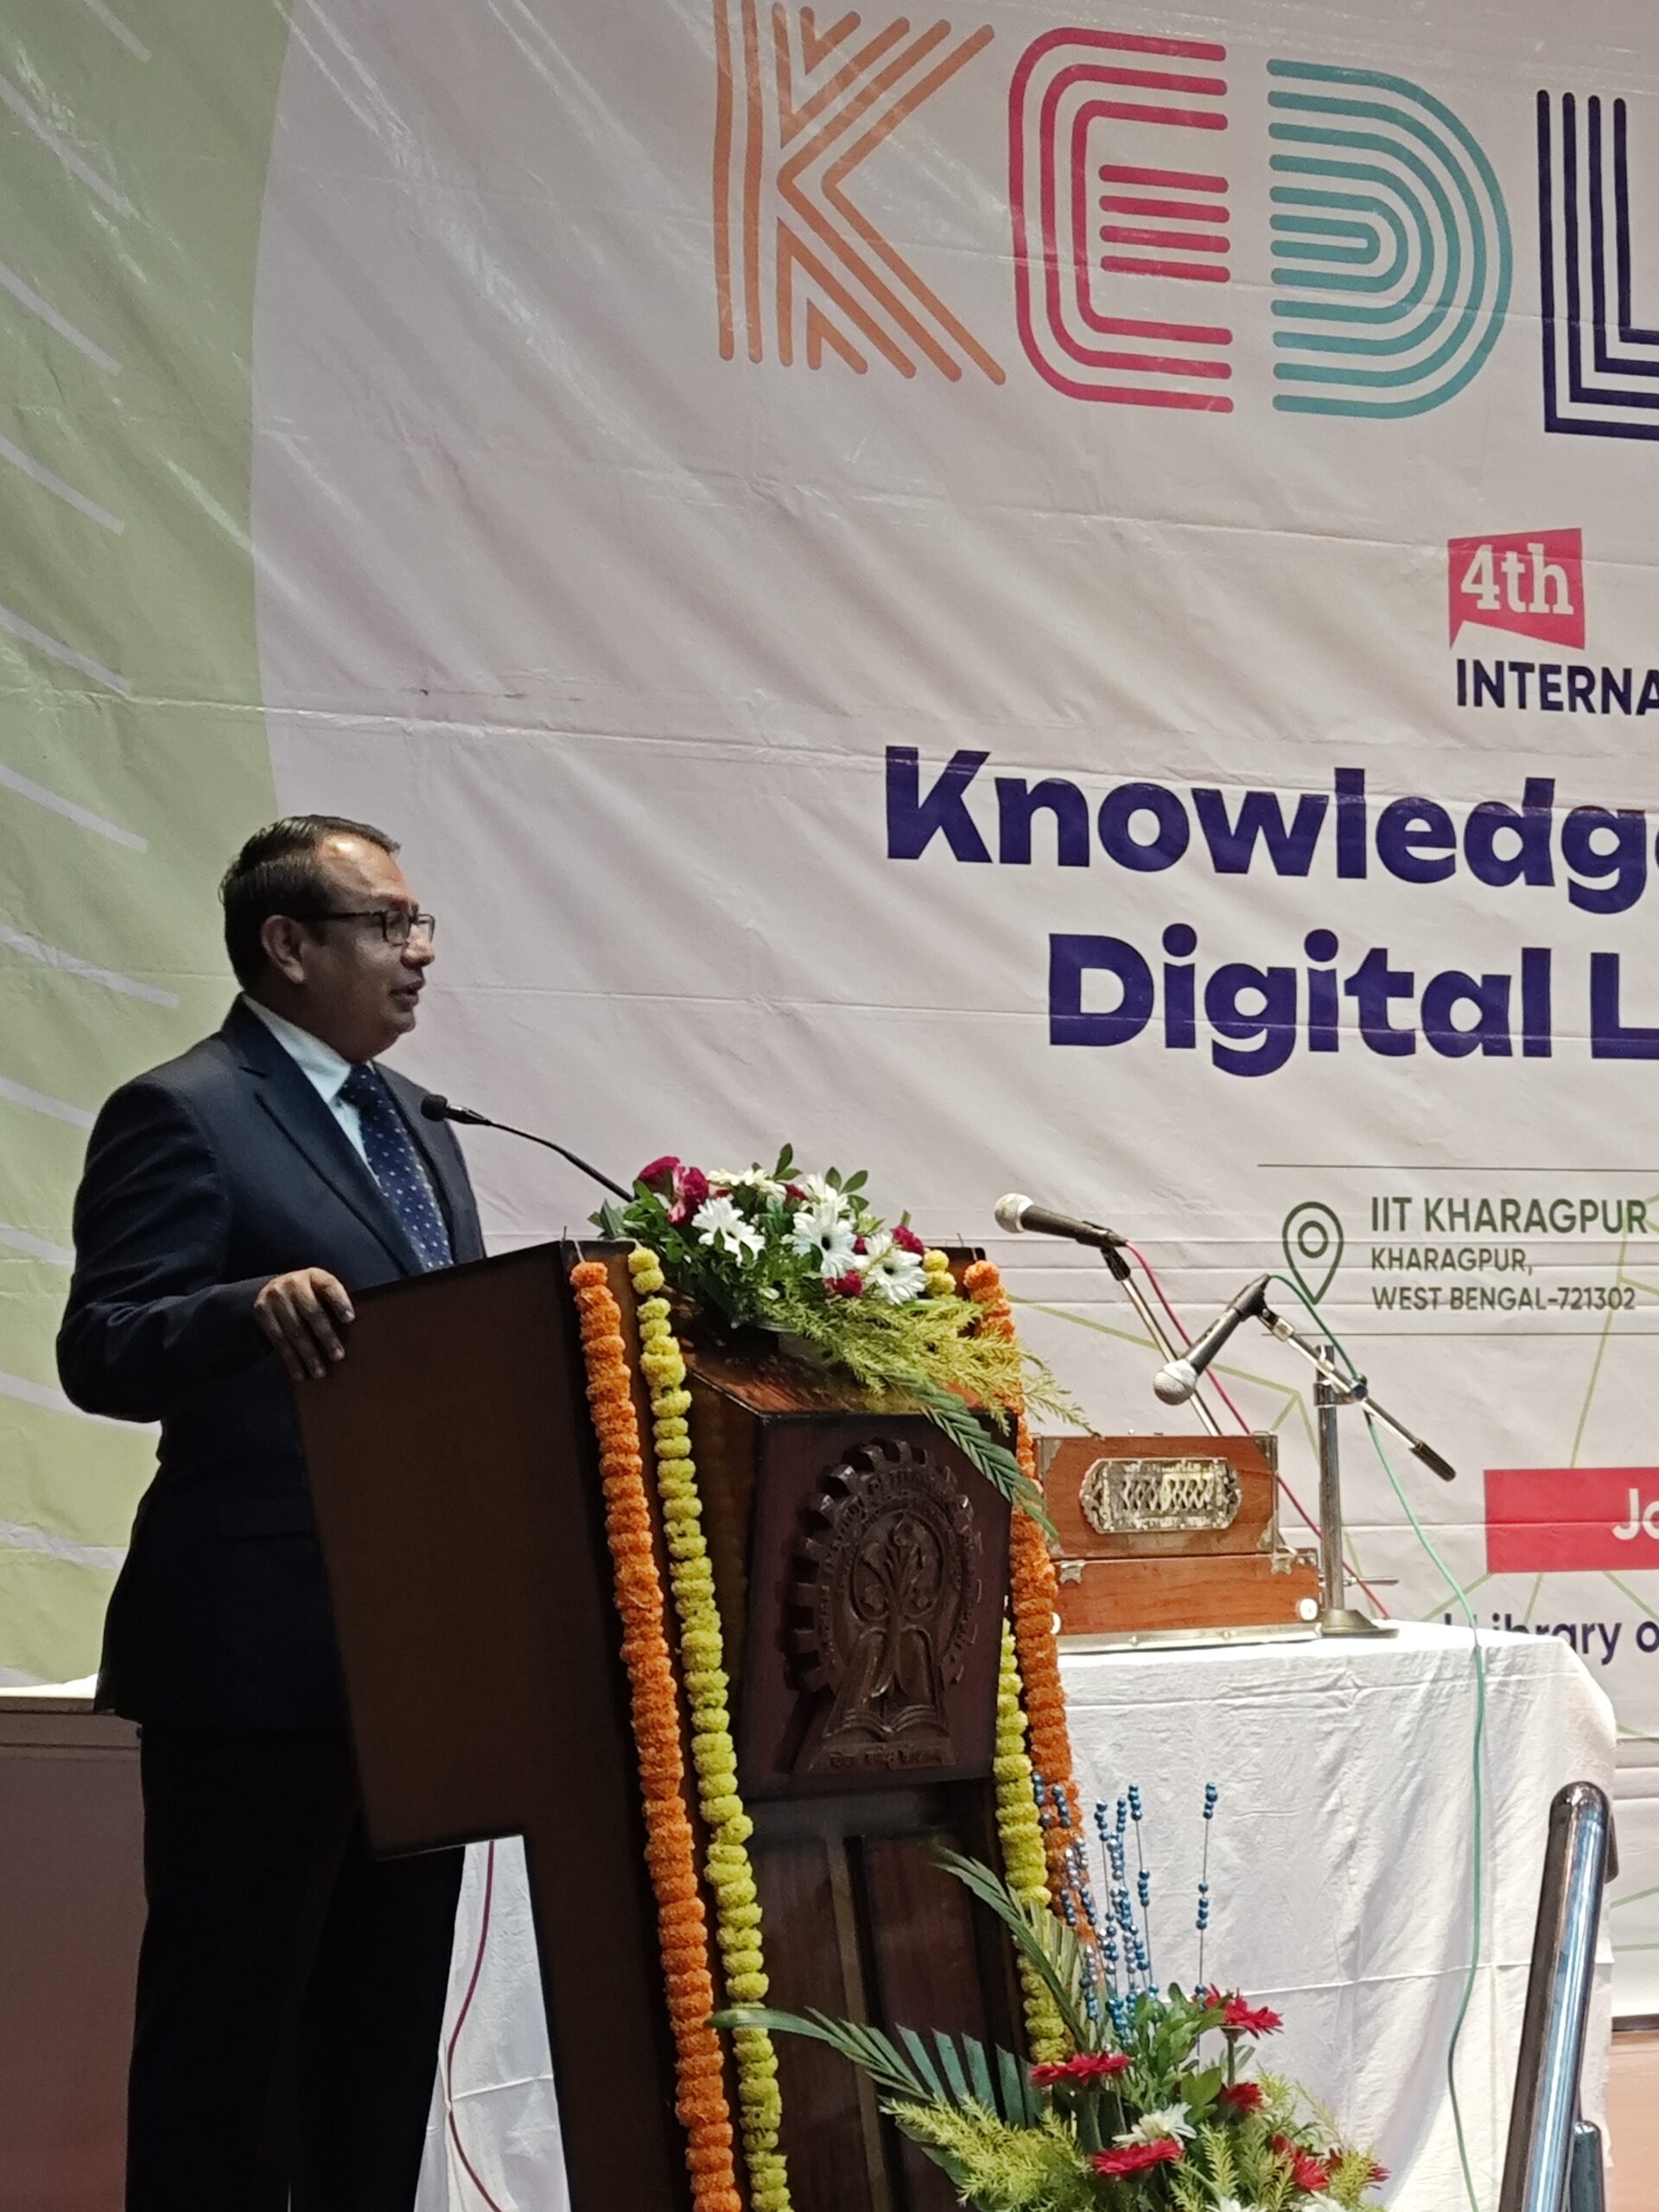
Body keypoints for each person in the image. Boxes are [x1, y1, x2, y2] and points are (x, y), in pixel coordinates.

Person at [58, 816, 485, 2212]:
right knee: (228, 2043)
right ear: (287, 944)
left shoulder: (418, 1120)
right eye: (387, 925)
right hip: (255, 1657)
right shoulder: (183, 1110)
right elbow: (101, 1346)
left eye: (419, 924)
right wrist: (238, 1309)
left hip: (415, 1666)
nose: (417, 953)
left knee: (380, 2037)